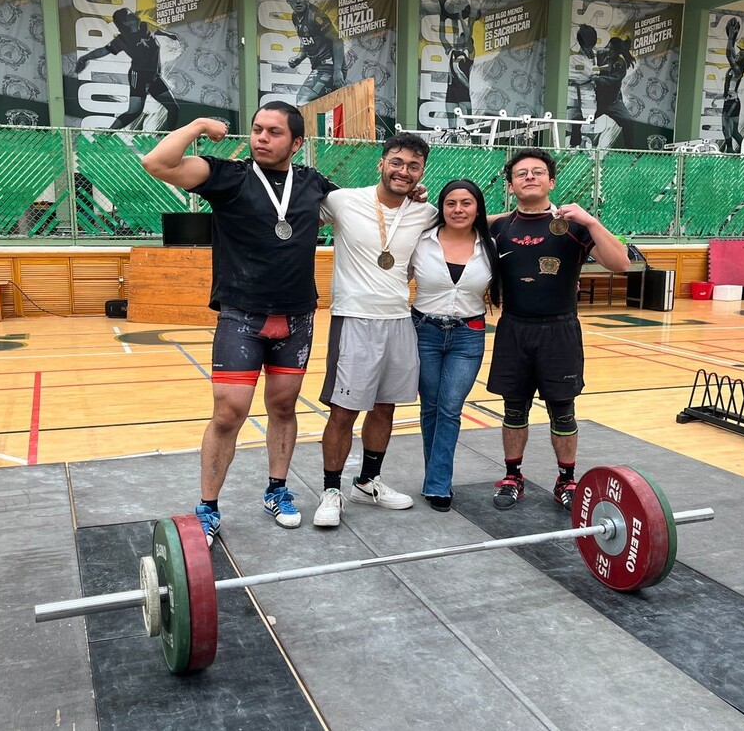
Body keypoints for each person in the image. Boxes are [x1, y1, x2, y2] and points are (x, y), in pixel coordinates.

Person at [140, 103, 337, 543]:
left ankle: (277, 490)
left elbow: (362, 209)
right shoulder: (228, 176)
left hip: (297, 315)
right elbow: (157, 162)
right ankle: (208, 508)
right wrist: (195, 126)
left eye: (274, 132)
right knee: (229, 413)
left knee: (284, 408)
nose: (262, 138)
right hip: (240, 314)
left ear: (297, 143)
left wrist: (410, 195)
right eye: (257, 130)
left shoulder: (313, 184)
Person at [486, 148, 630, 511]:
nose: (530, 177)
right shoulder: (499, 226)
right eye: (521, 173)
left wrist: (592, 221)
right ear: (511, 184)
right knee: (513, 410)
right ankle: (512, 475)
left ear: (551, 181)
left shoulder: (576, 225)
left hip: (559, 330)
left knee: (562, 411)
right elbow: (456, 218)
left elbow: (621, 264)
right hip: (514, 330)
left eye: (538, 172)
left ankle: (567, 479)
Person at [314, 133, 440, 527]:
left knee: (386, 407)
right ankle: (331, 489)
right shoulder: (342, 201)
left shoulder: (426, 212)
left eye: (413, 166)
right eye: (397, 162)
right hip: (353, 319)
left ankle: (368, 481)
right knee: (343, 410)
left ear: (421, 173)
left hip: (400, 321)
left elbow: (470, 219)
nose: (404, 171)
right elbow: (291, 212)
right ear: (381, 163)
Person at [410, 179, 499, 511]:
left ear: (477, 207)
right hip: (424, 331)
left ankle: (437, 484)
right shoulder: (422, 242)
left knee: (450, 408)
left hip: (468, 334)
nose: (458, 210)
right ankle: (436, 479)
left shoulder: (491, 245)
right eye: (451, 203)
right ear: (441, 207)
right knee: (431, 407)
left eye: (466, 203)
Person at [75, 8, 181, 131]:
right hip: (138, 76)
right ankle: (106, 135)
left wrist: (169, 35)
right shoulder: (123, 39)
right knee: (134, 112)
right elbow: (104, 50)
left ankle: (169, 138)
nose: (134, 15)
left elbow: (156, 31)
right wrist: (85, 58)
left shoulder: (144, 26)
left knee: (174, 109)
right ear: (125, 22)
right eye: (130, 15)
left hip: (154, 77)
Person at [285, 0, 346, 105]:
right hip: (319, 67)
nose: (297, 0)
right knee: (321, 105)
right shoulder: (295, 16)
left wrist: (337, 71)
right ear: (287, 0)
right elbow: (306, 39)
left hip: (330, 67)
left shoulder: (316, 16)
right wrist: (299, 57)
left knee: (302, 100)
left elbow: (338, 41)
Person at [437, 0, 476, 133]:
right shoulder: (452, 51)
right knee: (451, 126)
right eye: (460, 37)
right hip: (451, 93)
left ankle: (476, 148)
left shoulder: (469, 54)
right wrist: (443, 17)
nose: (461, 39)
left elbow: (467, 35)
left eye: (463, 38)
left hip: (464, 93)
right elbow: (441, 36)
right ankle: (452, 147)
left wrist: (460, 16)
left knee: (469, 123)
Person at [593, 35, 636, 149]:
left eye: (611, 49)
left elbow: (615, 80)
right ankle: (575, 147)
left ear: (617, 51)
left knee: (628, 122)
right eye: (608, 47)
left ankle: (630, 151)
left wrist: (598, 79)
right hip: (597, 101)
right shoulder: (601, 54)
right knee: (582, 119)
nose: (608, 50)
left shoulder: (620, 63)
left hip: (613, 102)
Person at [722, 18, 744, 153]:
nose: (737, 54)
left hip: (732, 103)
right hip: (731, 101)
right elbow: (732, 53)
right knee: (730, 131)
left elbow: (729, 54)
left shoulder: (737, 70)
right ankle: (740, 152)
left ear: (742, 60)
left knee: (728, 129)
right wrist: (732, 36)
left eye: (740, 55)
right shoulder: (737, 68)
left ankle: (736, 151)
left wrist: (730, 38)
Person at [567, 24, 599, 149]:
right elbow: (593, 73)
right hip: (579, 96)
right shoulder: (575, 58)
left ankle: (578, 151)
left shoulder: (593, 57)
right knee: (575, 127)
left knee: (585, 126)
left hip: (585, 96)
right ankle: (574, 151)